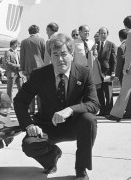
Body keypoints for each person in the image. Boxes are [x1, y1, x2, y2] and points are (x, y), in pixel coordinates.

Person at [14, 33, 99, 180]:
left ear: (72, 54)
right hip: (47, 126)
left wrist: (70, 109)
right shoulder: (39, 75)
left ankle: (81, 169)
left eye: (64, 54)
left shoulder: (84, 73)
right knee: (29, 144)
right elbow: (19, 101)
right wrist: (28, 125)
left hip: (75, 124)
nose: (60, 59)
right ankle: (52, 157)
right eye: (55, 55)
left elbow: (94, 104)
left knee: (89, 120)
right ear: (50, 57)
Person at [107, 16, 131, 123]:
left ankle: (116, 114)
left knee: (124, 91)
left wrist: (126, 67)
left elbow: (130, 52)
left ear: (126, 25)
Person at [20, 25, 46, 115]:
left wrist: (22, 68)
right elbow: (44, 55)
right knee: (40, 91)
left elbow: (22, 57)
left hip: (29, 69)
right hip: (40, 68)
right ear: (37, 32)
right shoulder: (41, 40)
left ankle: (31, 110)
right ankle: (40, 109)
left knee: (30, 90)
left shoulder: (24, 42)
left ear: (29, 32)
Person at [95, 27, 116, 116]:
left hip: (107, 73)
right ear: (98, 34)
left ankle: (109, 111)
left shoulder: (111, 44)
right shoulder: (96, 45)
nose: (103, 35)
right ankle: (102, 110)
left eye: (105, 33)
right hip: (98, 73)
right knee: (99, 93)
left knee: (108, 93)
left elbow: (114, 60)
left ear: (107, 34)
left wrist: (113, 72)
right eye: (101, 33)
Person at [115, 29, 131, 119]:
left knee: (127, 93)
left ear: (120, 37)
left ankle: (129, 113)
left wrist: (116, 75)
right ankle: (130, 112)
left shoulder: (121, 47)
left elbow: (119, 64)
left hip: (125, 74)